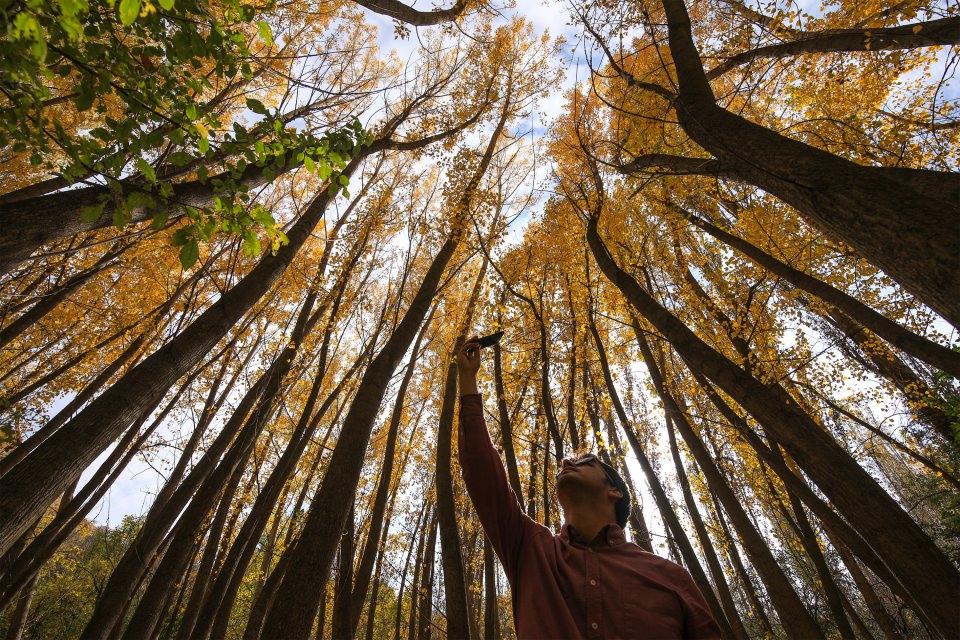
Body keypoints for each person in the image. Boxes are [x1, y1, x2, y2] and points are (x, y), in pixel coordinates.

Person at [456, 337, 721, 640]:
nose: (566, 465)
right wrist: (467, 378)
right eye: (565, 465)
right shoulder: (531, 548)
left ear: (614, 491)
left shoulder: (670, 576)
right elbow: (482, 474)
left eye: (584, 463)